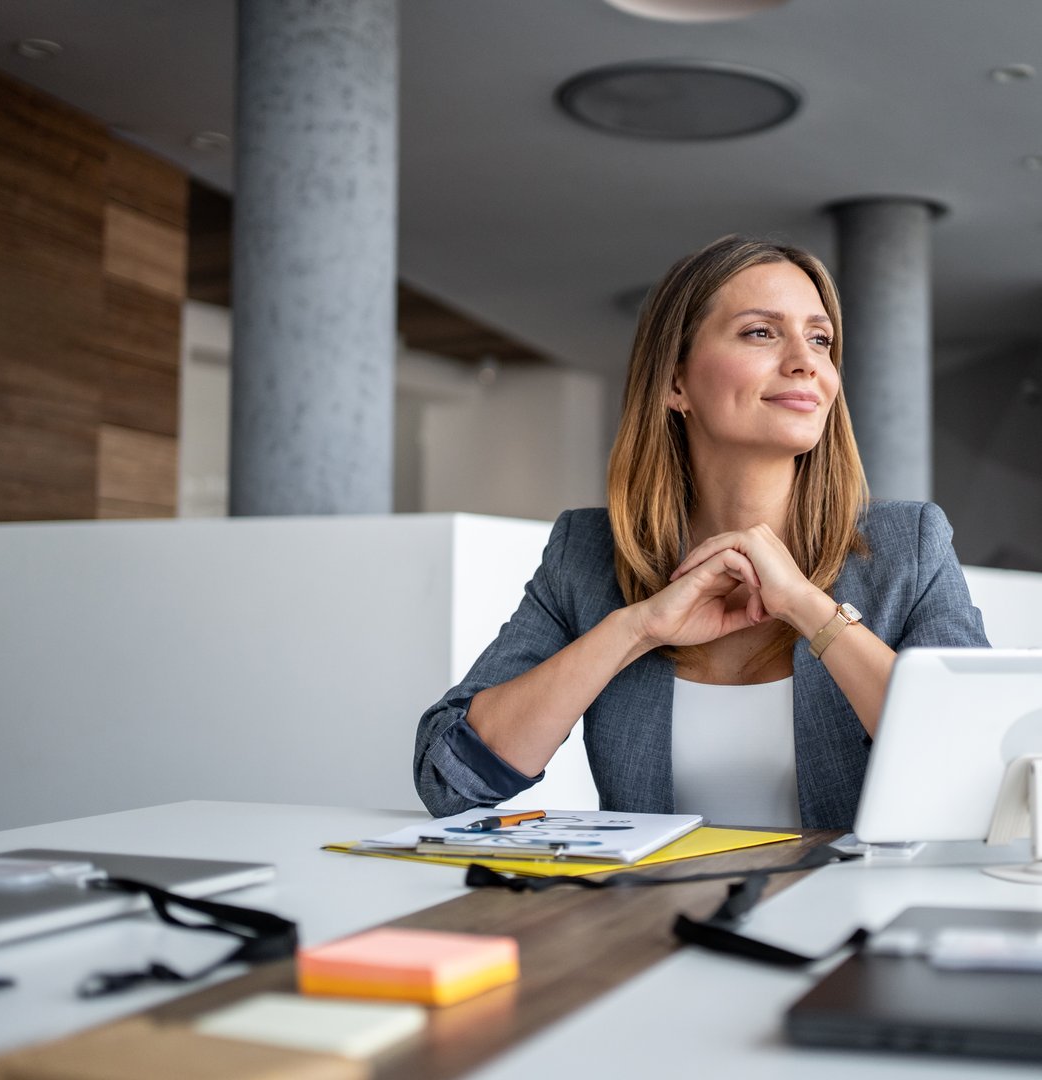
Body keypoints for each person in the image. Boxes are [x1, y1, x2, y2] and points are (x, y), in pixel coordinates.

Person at [414, 235, 987, 829]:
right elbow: (448, 779)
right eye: (761, 332)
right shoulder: (585, 554)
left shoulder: (908, 546)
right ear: (675, 382)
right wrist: (636, 629)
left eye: (820, 339)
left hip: (847, 916)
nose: (806, 361)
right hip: (658, 918)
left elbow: (984, 767)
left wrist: (812, 612)